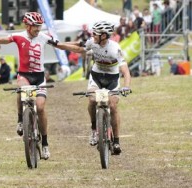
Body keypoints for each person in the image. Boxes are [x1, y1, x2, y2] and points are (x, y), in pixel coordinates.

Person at [0, 12, 53, 159]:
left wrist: (82, 47)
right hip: (24, 75)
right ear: (27, 25)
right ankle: (20, 120)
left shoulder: (43, 37)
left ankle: (45, 143)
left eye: (40, 26)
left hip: (39, 77)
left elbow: (62, 45)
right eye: (36, 26)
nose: (38, 29)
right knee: (21, 91)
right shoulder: (18, 36)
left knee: (40, 108)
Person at [48, 21, 131, 155]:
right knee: (92, 100)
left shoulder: (115, 49)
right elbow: (77, 47)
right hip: (96, 76)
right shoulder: (92, 42)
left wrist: (126, 87)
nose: (93, 35)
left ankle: (116, 141)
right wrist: (57, 44)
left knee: (113, 106)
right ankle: (94, 130)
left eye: (96, 34)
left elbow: (126, 71)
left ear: (104, 36)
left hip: (112, 79)